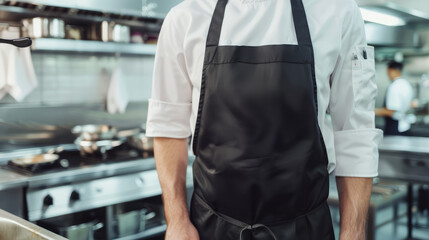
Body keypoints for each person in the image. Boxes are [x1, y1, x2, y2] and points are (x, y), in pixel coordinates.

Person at [146, 0, 382, 239]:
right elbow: (168, 128)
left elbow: (355, 130)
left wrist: (353, 231)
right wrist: (176, 220)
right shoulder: (185, 18)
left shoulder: (337, 11)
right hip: (210, 228)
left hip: (305, 229)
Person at [375, 61, 414, 136]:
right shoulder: (406, 84)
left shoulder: (394, 86)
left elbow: (391, 111)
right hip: (405, 126)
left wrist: (371, 111)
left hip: (395, 127)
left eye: (388, 72)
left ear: (392, 70)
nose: (388, 75)